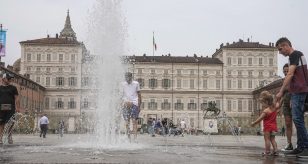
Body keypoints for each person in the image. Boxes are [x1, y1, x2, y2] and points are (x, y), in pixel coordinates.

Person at [276, 37, 308, 157]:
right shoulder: (296, 56)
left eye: (280, 49)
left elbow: (290, 74)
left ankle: (305, 146)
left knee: (298, 119)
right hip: (298, 90)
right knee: (297, 118)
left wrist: (281, 91)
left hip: (299, 90)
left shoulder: (294, 55)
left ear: (286, 45)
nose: (280, 52)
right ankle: (300, 147)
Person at [251, 91, 279, 156]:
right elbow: (278, 104)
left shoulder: (266, 111)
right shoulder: (274, 108)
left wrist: (254, 123)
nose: (262, 105)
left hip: (267, 127)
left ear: (266, 102)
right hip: (274, 127)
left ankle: (267, 152)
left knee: (267, 139)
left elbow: (260, 119)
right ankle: (276, 151)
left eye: (262, 103)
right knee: (273, 139)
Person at [0, 73, 20, 144]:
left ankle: (9, 136)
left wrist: (17, 107)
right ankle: (0, 138)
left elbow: (17, 98)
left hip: (11, 108)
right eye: (8, 78)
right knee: (1, 124)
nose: (10, 80)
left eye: (10, 79)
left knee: (11, 123)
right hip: (1, 108)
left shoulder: (13, 88)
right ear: (4, 79)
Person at [121, 72, 141, 140]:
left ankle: (135, 139)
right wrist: (121, 104)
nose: (127, 79)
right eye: (126, 77)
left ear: (131, 77)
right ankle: (128, 138)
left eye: (128, 77)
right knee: (127, 122)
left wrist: (139, 106)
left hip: (134, 104)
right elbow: (121, 95)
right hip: (125, 104)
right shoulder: (123, 84)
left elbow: (139, 95)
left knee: (134, 121)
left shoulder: (136, 83)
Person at [281, 63, 294, 151]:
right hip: (285, 105)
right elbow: (283, 94)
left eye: (287, 71)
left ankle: (301, 143)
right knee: (288, 124)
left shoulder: (294, 79)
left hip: (294, 103)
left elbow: (296, 90)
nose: (286, 73)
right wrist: (279, 104)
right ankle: (289, 143)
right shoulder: (284, 80)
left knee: (297, 123)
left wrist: (292, 100)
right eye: (284, 71)